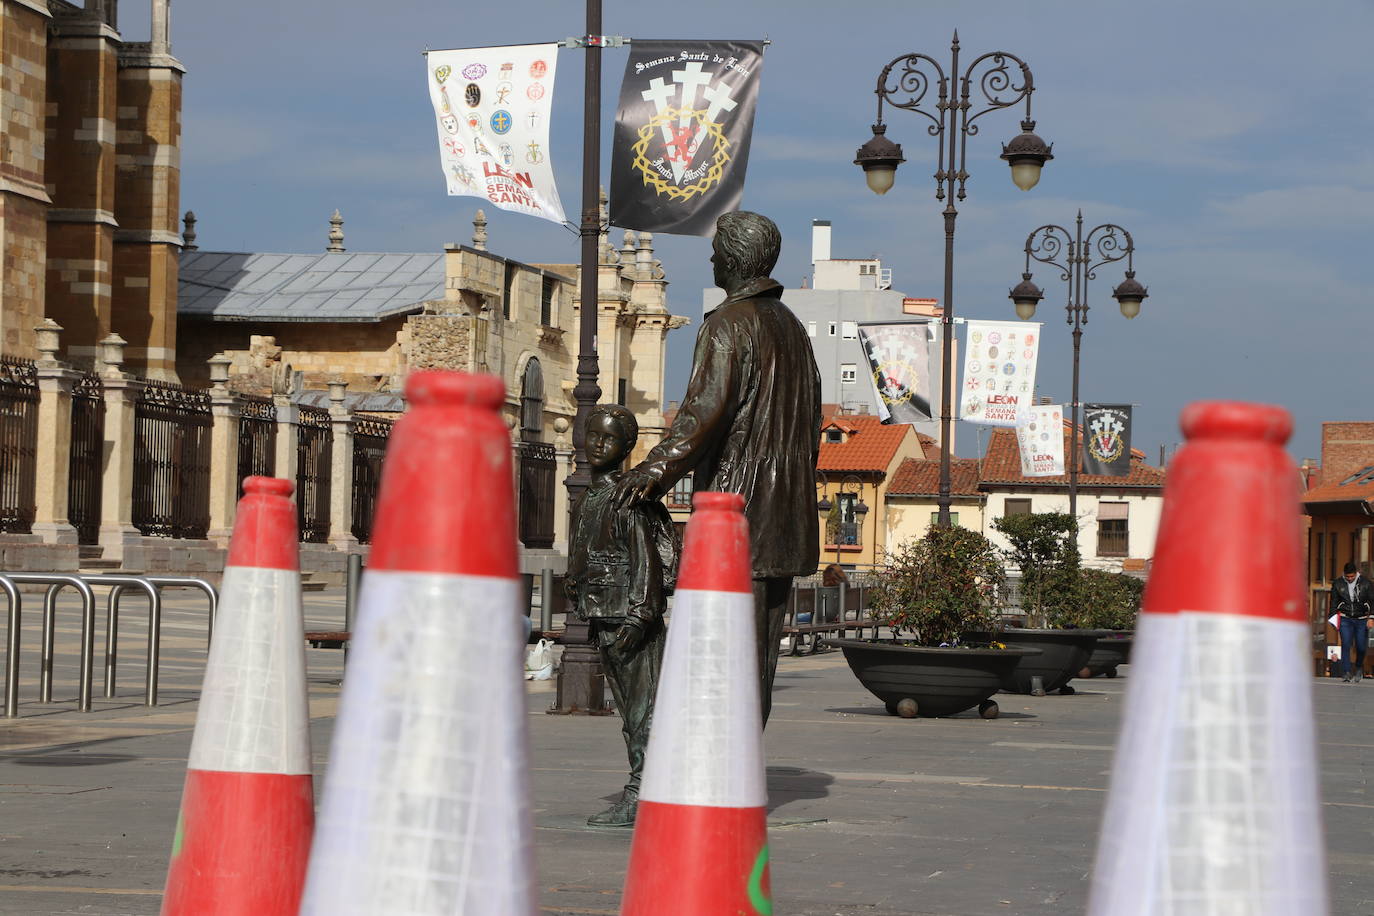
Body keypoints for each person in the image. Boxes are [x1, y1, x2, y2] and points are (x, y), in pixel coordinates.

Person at [615, 210, 822, 726]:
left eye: (716, 250)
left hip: (737, 513)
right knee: (760, 662)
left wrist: (651, 473)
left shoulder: (730, 324)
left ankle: (720, 779)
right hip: (785, 518)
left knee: (723, 657)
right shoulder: (794, 330)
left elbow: (701, 416)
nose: (710, 257)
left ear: (733, 258)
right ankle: (743, 772)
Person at [565, 404, 679, 826]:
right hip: (605, 616)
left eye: (608, 438)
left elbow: (645, 560)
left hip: (629, 619)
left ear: (627, 446)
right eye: (592, 434)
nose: (597, 444)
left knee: (642, 710)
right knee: (632, 709)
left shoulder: (626, 498)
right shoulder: (593, 496)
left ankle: (643, 792)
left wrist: (639, 616)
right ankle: (647, 787)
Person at [1330, 561, 1373, 682]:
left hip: (1362, 619)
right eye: (1347, 576)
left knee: (1361, 647)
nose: (1350, 578)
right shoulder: (1338, 583)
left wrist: (1371, 617)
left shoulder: (1366, 583)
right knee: (1346, 644)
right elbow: (1333, 602)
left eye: (1352, 576)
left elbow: (1372, 601)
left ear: (1356, 574)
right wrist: (1333, 619)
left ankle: (1359, 667)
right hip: (1345, 618)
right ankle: (1346, 672)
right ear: (1344, 574)